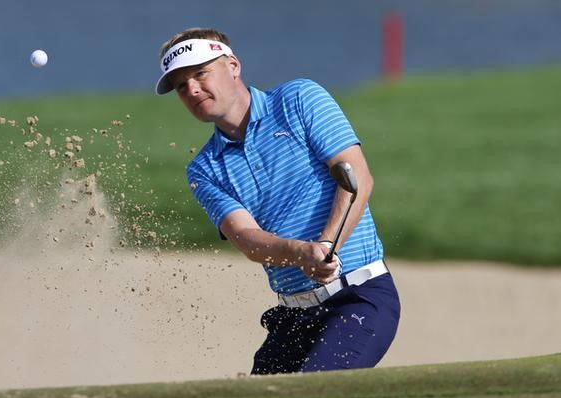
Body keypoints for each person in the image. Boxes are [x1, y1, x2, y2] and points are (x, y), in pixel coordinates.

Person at [155, 28, 401, 374]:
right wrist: (301, 253)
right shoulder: (205, 169)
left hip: (358, 297)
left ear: (233, 65)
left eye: (200, 73)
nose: (192, 89)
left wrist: (327, 244)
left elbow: (356, 178)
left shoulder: (299, 99)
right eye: (181, 86)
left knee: (313, 395)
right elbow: (248, 239)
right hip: (295, 315)